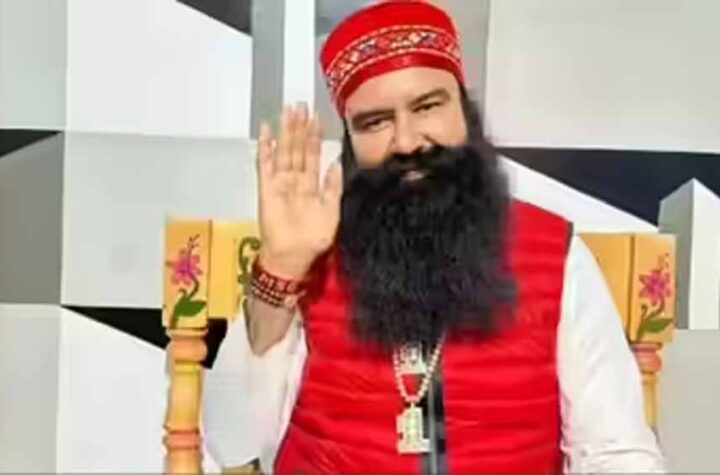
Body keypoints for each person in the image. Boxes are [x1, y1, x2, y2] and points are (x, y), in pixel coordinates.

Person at [203, 1, 666, 473]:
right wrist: (282, 268)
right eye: (376, 122)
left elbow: (616, 452)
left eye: (427, 107)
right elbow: (232, 442)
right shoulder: (313, 250)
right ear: (350, 140)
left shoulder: (554, 252)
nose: (407, 141)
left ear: (464, 110)